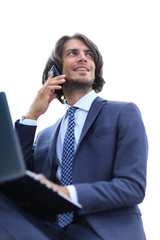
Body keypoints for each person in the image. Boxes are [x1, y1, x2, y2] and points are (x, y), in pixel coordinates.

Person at [0, 33, 148, 240]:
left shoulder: (123, 113)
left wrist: (65, 192)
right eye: (72, 53)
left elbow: (132, 187)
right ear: (56, 72)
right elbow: (12, 179)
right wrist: (32, 115)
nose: (83, 58)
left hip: (104, 233)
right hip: (51, 231)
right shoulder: (45, 136)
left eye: (88, 54)